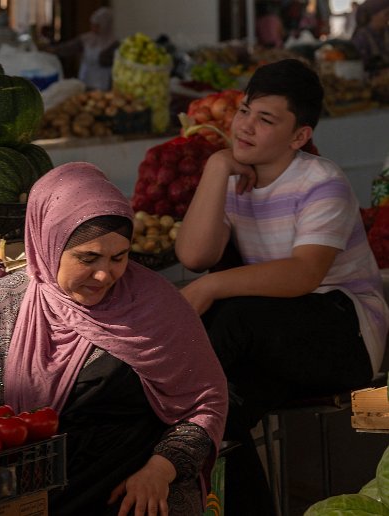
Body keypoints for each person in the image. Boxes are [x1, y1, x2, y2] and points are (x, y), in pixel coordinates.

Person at [0, 162, 228, 515]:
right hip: (29, 497)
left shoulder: (159, 307)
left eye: (119, 257)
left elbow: (205, 406)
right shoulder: (2, 303)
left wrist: (160, 469)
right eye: (87, 258)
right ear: (48, 243)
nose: (105, 274)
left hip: (134, 499)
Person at [175, 58, 389, 515]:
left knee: (228, 314)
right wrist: (216, 166)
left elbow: (303, 274)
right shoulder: (234, 179)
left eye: (266, 119)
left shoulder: (321, 181)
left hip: (344, 333)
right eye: (245, 110)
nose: (246, 126)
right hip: (277, 334)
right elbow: (194, 256)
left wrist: (210, 289)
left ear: (299, 136)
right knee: (219, 413)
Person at [48, 7, 118, 90]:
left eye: (97, 26)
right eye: (92, 25)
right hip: (86, 78)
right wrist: (53, 50)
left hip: (103, 82)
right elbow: (69, 48)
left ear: (105, 26)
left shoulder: (114, 44)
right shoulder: (87, 39)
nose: (93, 28)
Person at [350, 0, 389, 74]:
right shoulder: (361, 38)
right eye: (386, 14)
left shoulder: (386, 31)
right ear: (373, 15)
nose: (388, 18)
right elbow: (358, 72)